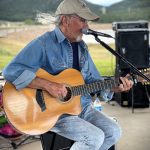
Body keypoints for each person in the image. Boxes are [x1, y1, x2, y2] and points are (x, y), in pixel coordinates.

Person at [2, 0, 133, 149]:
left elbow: (94, 80)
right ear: (65, 20)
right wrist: (48, 85)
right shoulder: (44, 43)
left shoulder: (82, 48)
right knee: (94, 137)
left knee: (113, 131)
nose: (86, 26)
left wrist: (113, 87)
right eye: (83, 20)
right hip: (53, 114)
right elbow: (10, 70)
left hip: (81, 106)